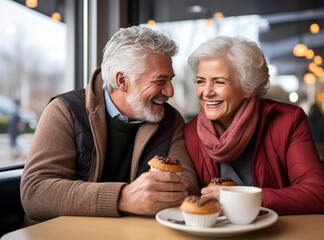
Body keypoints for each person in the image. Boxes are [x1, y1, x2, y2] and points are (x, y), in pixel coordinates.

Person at [20, 26, 199, 225]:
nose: (170, 91)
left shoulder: (170, 119)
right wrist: (123, 197)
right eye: (160, 81)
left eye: (171, 80)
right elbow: (35, 193)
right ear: (122, 80)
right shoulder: (64, 111)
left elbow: (188, 185)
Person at [184, 36, 324, 215]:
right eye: (200, 81)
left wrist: (241, 198)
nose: (206, 92)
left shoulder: (288, 121)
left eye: (219, 81)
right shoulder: (190, 132)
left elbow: (319, 195)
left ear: (248, 87)